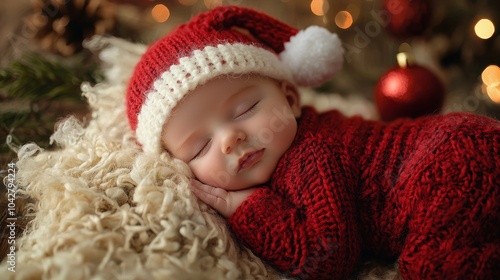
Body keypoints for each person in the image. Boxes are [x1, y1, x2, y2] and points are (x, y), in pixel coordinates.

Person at [126, 5, 500, 280]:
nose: (229, 138)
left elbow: (328, 257)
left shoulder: (310, 155)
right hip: (455, 143)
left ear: (289, 98)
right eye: (199, 147)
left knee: (435, 267)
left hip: (450, 163)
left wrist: (247, 208)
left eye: (244, 109)